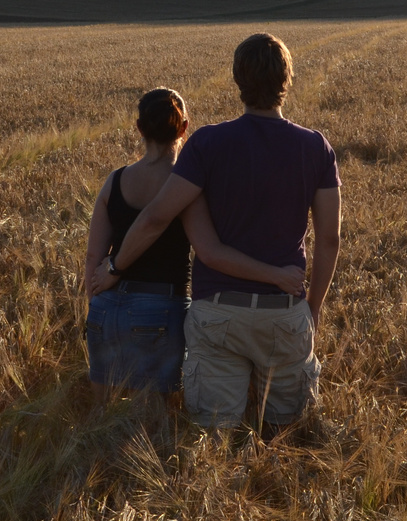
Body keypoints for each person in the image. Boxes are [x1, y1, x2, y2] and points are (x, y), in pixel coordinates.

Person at [91, 35, 340, 429]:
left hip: (217, 313)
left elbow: (157, 218)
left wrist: (115, 266)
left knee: (214, 439)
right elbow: (329, 239)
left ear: (238, 79)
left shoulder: (207, 143)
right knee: (287, 434)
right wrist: (313, 309)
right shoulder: (316, 148)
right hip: (284, 312)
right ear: (287, 79)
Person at [84, 87, 303, 400]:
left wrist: (98, 307)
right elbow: (210, 252)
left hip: (105, 307)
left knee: (101, 418)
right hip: (158, 312)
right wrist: (276, 275)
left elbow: (93, 256)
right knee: (152, 425)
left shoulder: (114, 181)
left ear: (139, 128)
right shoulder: (185, 188)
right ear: (185, 127)